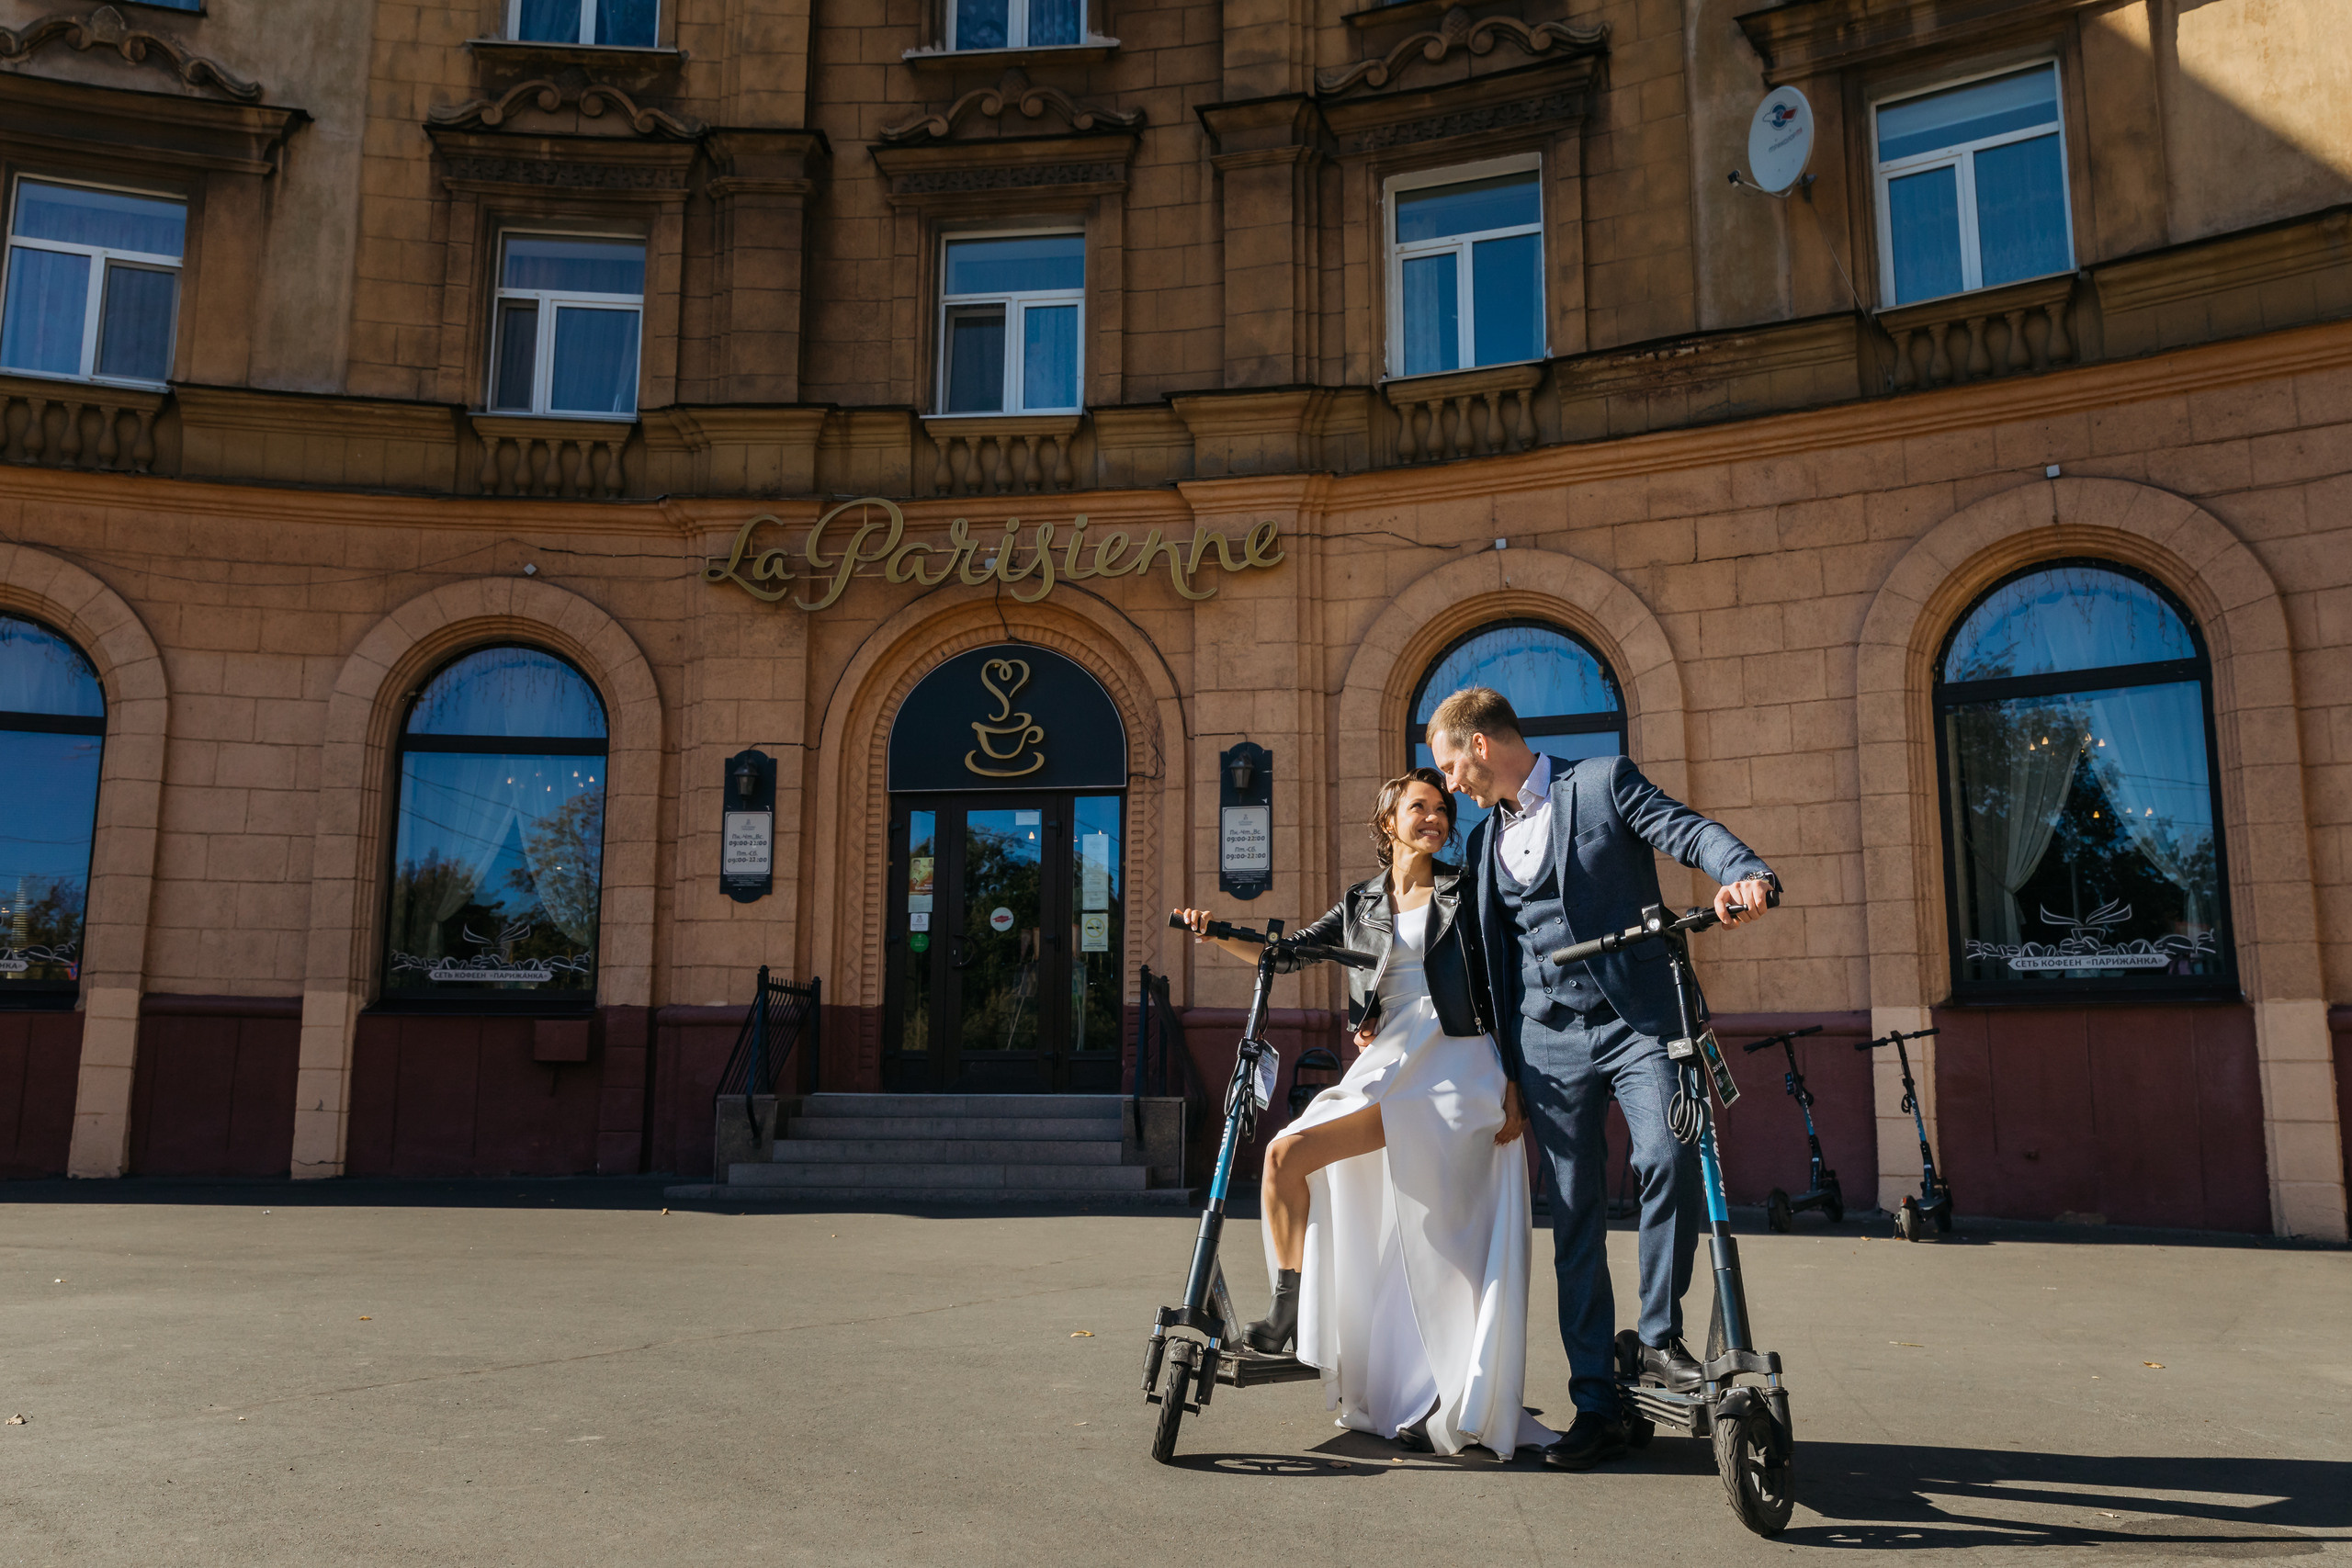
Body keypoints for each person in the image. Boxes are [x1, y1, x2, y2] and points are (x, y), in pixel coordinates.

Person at [1426, 687, 1777, 1472]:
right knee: (1575, 1219)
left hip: (1640, 1020)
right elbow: (1494, 963)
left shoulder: (1603, 780)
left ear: (1479, 744)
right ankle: (1595, 1400)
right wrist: (1505, 1067)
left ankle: (1655, 1339)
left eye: (1450, 766)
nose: (1451, 785)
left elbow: (1685, 829)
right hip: (1546, 1044)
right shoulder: (1484, 844)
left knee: (1671, 1155)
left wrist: (1741, 870)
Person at [1174, 769, 1555, 1459]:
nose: (1434, 816)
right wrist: (1216, 934)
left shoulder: (1467, 888)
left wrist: (1514, 1080)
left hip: (1459, 1061)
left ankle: (1441, 1392)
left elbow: (1509, 979)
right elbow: (1287, 954)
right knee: (1287, 1155)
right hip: (1394, 1058)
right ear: (1388, 822)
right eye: (1419, 807)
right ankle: (1288, 1310)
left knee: (1429, 1237)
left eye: (1442, 808)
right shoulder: (1362, 903)